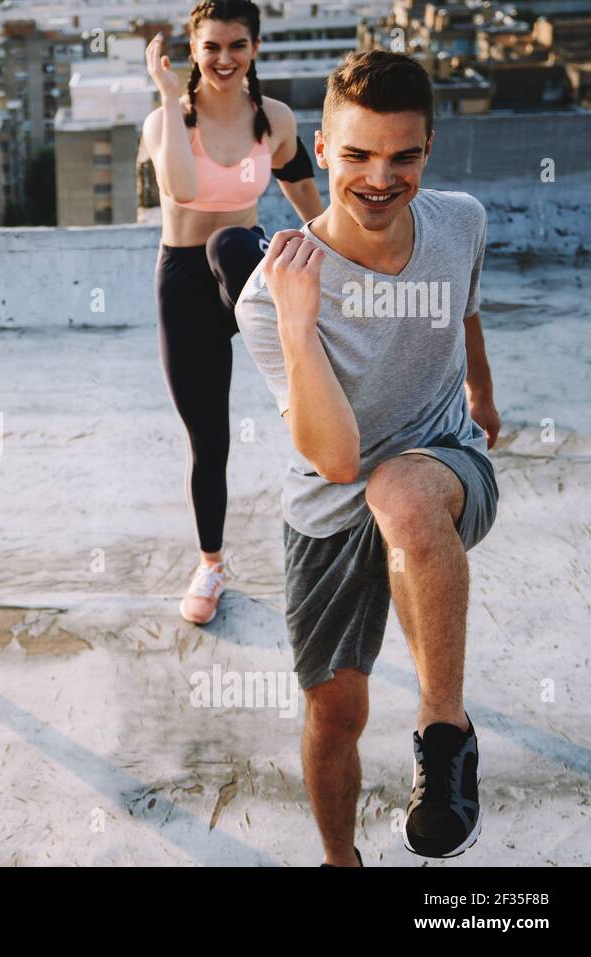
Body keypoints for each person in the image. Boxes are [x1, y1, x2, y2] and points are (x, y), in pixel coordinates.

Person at [233, 50, 501, 865]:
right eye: (356, 155)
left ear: (429, 150)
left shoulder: (461, 221)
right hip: (332, 501)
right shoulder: (267, 295)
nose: (380, 177)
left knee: (403, 493)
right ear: (320, 150)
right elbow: (336, 458)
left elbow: (465, 309)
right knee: (335, 712)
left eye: (403, 156)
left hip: (442, 462)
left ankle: (444, 736)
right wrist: (297, 321)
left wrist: (483, 399)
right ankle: (338, 856)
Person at [141, 0, 323, 624]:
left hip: (247, 271)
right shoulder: (165, 120)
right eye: (211, 46)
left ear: (254, 48)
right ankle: (211, 564)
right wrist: (168, 96)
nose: (224, 59)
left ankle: (302, 378)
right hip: (185, 285)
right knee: (209, 440)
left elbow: (305, 193)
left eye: (236, 46)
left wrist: (339, 253)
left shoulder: (271, 119)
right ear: (194, 50)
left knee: (234, 241)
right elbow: (184, 190)